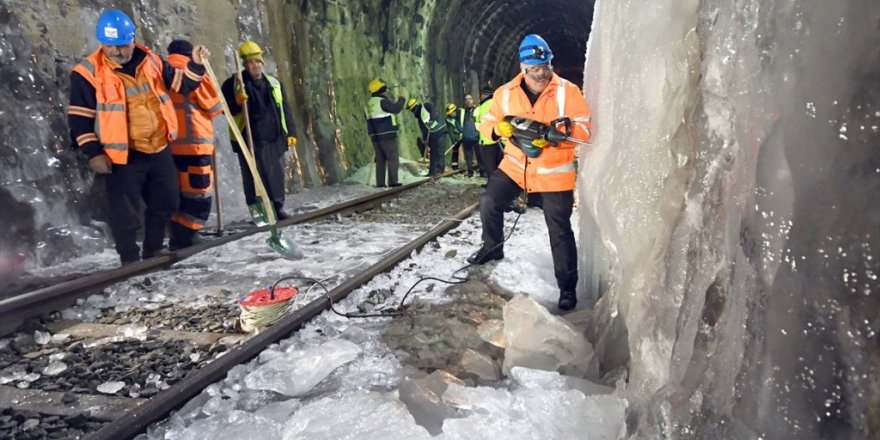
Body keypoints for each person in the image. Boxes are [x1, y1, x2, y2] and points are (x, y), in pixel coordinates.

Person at [68, 8, 210, 264]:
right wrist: (93, 152)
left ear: (132, 40)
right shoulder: (87, 72)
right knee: (125, 213)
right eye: (110, 46)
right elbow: (79, 118)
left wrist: (196, 65)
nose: (116, 51)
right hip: (122, 154)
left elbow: (182, 84)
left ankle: (153, 250)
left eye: (121, 45)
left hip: (158, 147)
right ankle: (130, 260)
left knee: (167, 200)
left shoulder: (152, 60)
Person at [468, 34, 593, 311]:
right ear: (522, 68)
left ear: (551, 64)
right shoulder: (505, 93)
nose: (541, 75)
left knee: (559, 230)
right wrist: (498, 128)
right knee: (489, 201)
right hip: (515, 166)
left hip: (553, 172)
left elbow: (584, 129)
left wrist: (555, 136)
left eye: (545, 67)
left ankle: (567, 288)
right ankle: (492, 247)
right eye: (534, 69)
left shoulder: (568, 92)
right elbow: (486, 125)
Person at [221, 41, 296, 221]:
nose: (255, 65)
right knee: (252, 179)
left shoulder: (274, 83)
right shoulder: (233, 84)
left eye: (257, 61)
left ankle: (277, 209)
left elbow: (285, 108)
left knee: (276, 176)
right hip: (249, 139)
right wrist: (237, 103)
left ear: (262, 62)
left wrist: (292, 132)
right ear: (245, 65)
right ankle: (258, 215)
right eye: (250, 62)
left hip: (274, 138)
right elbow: (225, 110)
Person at [165, 39, 222, 250]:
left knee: (176, 193)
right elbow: (215, 106)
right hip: (195, 145)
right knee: (198, 194)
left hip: (168, 146)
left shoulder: (160, 70)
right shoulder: (194, 72)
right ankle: (188, 236)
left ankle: (177, 236)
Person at [364, 78, 406, 187]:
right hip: (386, 135)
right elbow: (396, 108)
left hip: (374, 136)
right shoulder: (382, 102)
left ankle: (380, 184)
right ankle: (393, 182)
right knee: (392, 158)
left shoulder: (368, 104)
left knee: (381, 160)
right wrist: (402, 97)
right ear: (381, 90)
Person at [407, 98, 449, 177]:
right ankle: (432, 171)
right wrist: (425, 140)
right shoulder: (419, 118)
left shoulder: (425, 106)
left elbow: (431, 108)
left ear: (415, 107)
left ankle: (440, 170)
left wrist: (432, 119)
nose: (412, 112)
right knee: (433, 152)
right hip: (432, 135)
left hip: (439, 130)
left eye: (412, 110)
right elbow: (424, 130)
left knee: (439, 150)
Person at [473, 86, 503, 180]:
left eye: (481, 95)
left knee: (490, 167)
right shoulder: (496, 103)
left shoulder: (485, 105)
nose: (480, 97)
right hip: (498, 139)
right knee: (498, 166)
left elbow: (481, 124)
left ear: (485, 95)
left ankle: (492, 187)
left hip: (489, 140)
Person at [459, 95, 481, 177]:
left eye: (470, 99)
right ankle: (470, 172)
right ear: (464, 102)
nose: (468, 101)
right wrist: (462, 131)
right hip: (466, 137)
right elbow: (458, 122)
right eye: (466, 99)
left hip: (477, 136)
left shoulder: (478, 110)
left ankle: (483, 171)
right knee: (468, 156)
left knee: (480, 155)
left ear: (473, 101)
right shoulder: (462, 112)